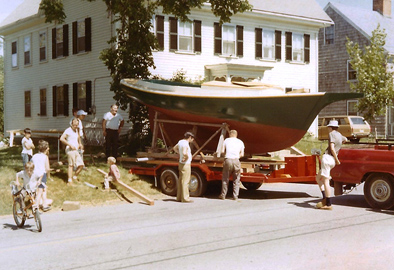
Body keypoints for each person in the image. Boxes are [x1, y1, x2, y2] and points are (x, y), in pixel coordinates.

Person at [315, 120, 347, 210]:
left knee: (325, 181)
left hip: (328, 158)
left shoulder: (331, 134)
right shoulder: (339, 135)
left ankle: (328, 204)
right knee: (318, 178)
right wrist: (339, 144)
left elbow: (332, 148)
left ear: (330, 127)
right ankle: (324, 197)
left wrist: (337, 160)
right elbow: (346, 139)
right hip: (331, 160)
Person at [219, 130, 245, 201]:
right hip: (236, 160)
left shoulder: (226, 140)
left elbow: (222, 151)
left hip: (228, 160)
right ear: (236, 135)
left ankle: (223, 195)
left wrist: (226, 155)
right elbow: (242, 154)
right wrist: (237, 157)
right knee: (236, 179)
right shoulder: (240, 142)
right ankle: (235, 196)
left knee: (225, 178)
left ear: (230, 134)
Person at [60, 118, 84, 184]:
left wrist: (80, 144)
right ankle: (69, 180)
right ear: (71, 124)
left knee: (81, 165)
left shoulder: (77, 130)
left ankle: (74, 177)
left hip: (76, 150)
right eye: (74, 125)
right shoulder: (68, 130)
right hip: (70, 150)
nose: (76, 126)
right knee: (71, 165)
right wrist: (69, 145)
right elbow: (61, 138)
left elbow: (78, 138)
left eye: (77, 125)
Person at [173, 132, 195, 203]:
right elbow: (185, 152)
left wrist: (180, 154)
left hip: (181, 163)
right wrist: (186, 157)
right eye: (192, 138)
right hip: (186, 164)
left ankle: (179, 197)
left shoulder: (180, 142)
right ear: (189, 137)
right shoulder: (185, 143)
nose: (192, 140)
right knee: (185, 181)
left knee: (181, 180)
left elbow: (174, 148)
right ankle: (185, 198)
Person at [31, 140, 51, 211]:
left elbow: (31, 165)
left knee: (43, 189)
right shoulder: (45, 157)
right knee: (40, 191)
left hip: (34, 174)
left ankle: (44, 204)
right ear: (46, 149)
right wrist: (49, 175)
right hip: (42, 175)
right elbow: (47, 168)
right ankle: (36, 206)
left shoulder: (34, 156)